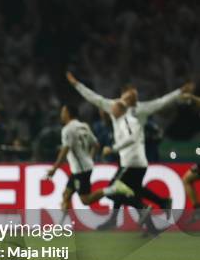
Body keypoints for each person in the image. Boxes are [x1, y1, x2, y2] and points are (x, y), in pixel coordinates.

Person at [67, 72, 191, 228]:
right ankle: (157, 211)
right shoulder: (115, 106)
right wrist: (76, 84)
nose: (134, 99)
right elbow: (93, 98)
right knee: (133, 190)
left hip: (133, 158)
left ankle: (138, 211)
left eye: (135, 96)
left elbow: (162, 102)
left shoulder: (140, 109)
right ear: (123, 96)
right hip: (127, 157)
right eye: (130, 96)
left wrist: (179, 92)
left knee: (117, 189)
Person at [46, 103, 133, 211]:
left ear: (68, 113)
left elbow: (65, 150)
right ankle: (63, 224)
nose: (61, 114)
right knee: (66, 194)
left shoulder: (67, 129)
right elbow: (96, 145)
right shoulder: (84, 126)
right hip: (82, 167)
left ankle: (114, 188)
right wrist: (89, 158)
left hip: (80, 170)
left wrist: (54, 168)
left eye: (63, 112)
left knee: (85, 200)